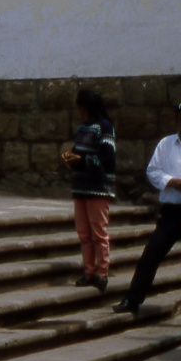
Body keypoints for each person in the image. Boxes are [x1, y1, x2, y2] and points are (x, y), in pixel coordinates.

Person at [112, 101, 181, 325]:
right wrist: (170, 181)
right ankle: (133, 299)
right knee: (153, 251)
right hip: (173, 210)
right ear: (176, 120)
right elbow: (152, 172)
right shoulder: (165, 144)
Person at [59, 88, 117, 292]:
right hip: (81, 187)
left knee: (98, 232)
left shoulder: (105, 128)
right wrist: (71, 158)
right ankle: (88, 271)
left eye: (79, 107)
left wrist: (82, 160)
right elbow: (79, 154)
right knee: (84, 232)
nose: (77, 111)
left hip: (98, 189)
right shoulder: (83, 128)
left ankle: (102, 272)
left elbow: (107, 160)